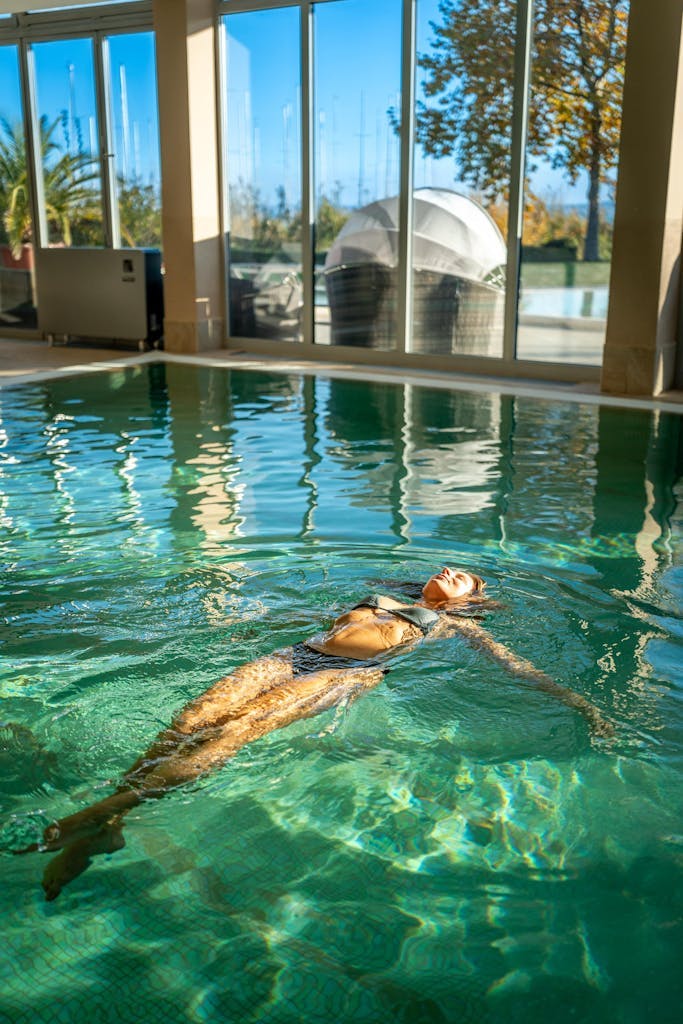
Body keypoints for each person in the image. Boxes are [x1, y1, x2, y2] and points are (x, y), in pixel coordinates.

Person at [19, 567, 613, 899]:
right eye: (449, 569)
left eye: (464, 579)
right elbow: (318, 625)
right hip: (293, 655)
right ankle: (109, 829)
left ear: (473, 600)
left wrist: (584, 709)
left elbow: (519, 669)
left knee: (237, 731)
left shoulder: (456, 628)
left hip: (343, 675)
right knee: (190, 722)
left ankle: (99, 812)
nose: (451, 572)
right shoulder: (378, 595)